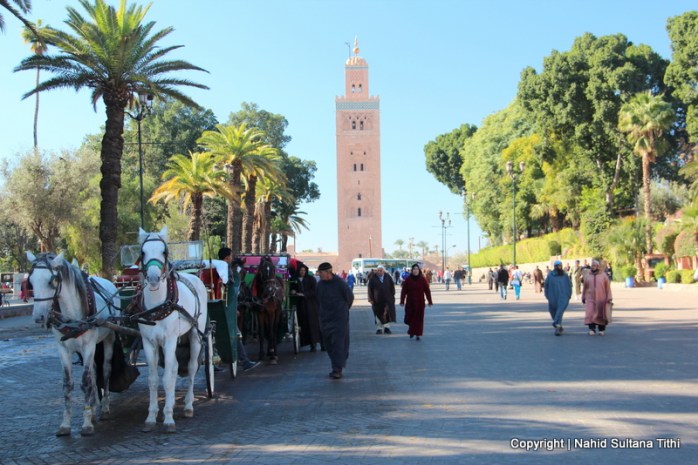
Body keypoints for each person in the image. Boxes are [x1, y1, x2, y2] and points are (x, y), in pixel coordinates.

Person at [218, 247, 259, 372]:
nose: (231, 258)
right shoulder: (229, 272)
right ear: (227, 258)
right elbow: (230, 292)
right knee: (236, 334)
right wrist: (232, 309)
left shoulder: (215, 269)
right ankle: (245, 361)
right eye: (231, 256)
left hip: (216, 308)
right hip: (226, 310)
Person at [316, 262, 353, 379]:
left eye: (321, 273)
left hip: (339, 318)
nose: (319, 275)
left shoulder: (340, 283)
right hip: (325, 318)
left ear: (328, 272)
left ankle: (337, 369)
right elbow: (318, 300)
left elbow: (349, 298)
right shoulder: (320, 285)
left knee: (338, 343)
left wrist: (342, 310)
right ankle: (338, 363)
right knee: (328, 344)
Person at [290, 264, 322, 352]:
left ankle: (314, 344)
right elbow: (290, 288)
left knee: (313, 324)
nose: (302, 272)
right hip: (300, 305)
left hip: (311, 305)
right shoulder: (294, 279)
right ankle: (305, 342)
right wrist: (292, 291)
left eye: (304, 270)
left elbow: (314, 290)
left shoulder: (311, 279)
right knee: (303, 324)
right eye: (301, 270)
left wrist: (304, 294)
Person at [400, 263, 433, 341]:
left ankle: (417, 334)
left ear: (419, 270)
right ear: (412, 270)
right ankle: (411, 330)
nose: (415, 270)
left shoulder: (422, 279)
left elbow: (427, 291)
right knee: (408, 318)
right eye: (414, 269)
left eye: (417, 269)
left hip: (420, 303)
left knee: (419, 319)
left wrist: (430, 301)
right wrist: (402, 301)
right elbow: (403, 291)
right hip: (410, 302)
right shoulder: (408, 280)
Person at [582, 259, 613, 336]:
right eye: (592, 265)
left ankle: (601, 329)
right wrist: (583, 297)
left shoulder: (603, 276)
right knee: (590, 313)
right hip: (590, 298)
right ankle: (592, 329)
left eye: (595, 265)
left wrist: (609, 298)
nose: (593, 267)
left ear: (598, 266)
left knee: (601, 314)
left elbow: (608, 288)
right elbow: (585, 288)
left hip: (601, 298)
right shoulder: (588, 276)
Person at [544, 260, 572, 336]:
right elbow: (546, 285)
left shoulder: (565, 275)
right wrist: (546, 295)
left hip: (563, 296)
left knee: (560, 311)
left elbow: (569, 285)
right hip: (553, 296)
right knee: (552, 311)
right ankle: (558, 325)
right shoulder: (550, 275)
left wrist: (569, 294)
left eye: (560, 265)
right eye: (558, 266)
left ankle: (557, 326)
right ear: (555, 267)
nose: (559, 267)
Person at [367, 265, 396, 334]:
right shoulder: (372, 278)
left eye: (381, 270)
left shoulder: (388, 277)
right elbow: (369, 290)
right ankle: (379, 328)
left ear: (384, 271)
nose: (379, 272)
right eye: (378, 270)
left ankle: (387, 328)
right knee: (378, 314)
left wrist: (392, 297)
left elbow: (392, 288)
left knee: (387, 314)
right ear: (376, 271)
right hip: (377, 301)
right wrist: (371, 299)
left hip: (387, 300)